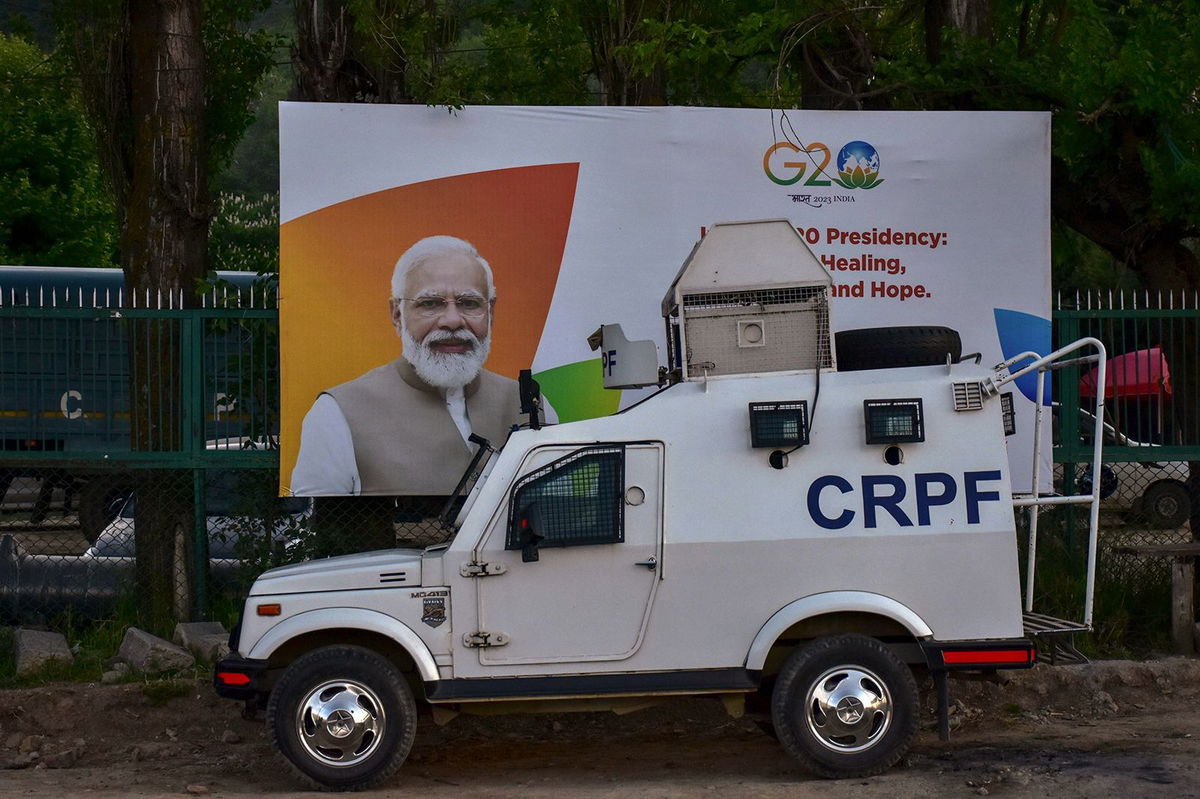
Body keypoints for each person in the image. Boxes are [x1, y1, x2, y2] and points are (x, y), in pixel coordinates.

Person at [291, 235, 540, 496]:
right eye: (430, 304)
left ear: (491, 313)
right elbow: (321, 523)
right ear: (397, 315)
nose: (453, 321)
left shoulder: (529, 403)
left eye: (469, 303)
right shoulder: (338, 413)